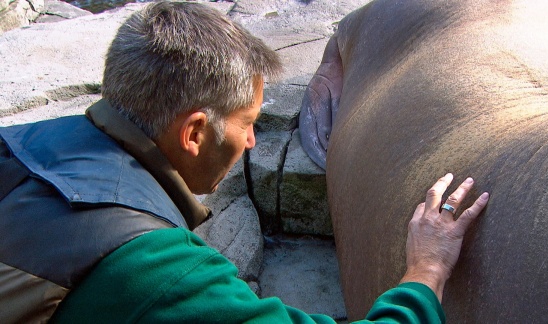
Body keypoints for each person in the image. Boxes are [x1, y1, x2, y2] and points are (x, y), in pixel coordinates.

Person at [0, 1, 489, 323]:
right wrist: (426, 271)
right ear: (194, 133)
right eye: (247, 122)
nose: (253, 141)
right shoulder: (155, 271)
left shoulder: (17, 142)